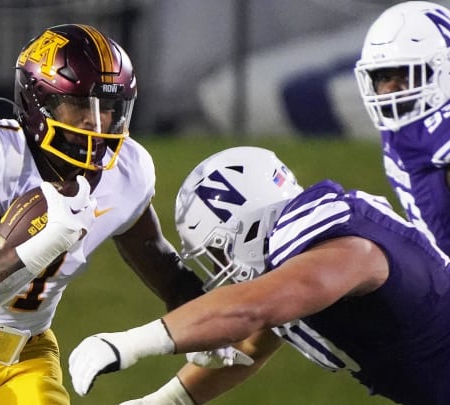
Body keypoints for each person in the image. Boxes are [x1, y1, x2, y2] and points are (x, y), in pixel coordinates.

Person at [0, 23, 248, 405]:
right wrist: (49, 237)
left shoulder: (127, 170)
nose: (96, 123)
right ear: (39, 101)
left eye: (109, 108)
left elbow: (165, 268)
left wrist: (206, 326)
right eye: (81, 104)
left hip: (27, 350)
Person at [68, 146, 450, 405]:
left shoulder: (345, 250)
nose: (219, 270)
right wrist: (165, 401)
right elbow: (248, 347)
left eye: (218, 251)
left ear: (247, 227)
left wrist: (129, 344)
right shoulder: (307, 262)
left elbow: (252, 309)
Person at [355, 1, 450, 255]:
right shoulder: (404, 123)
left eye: (406, 75)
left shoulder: (437, 129)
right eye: (384, 77)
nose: (390, 90)